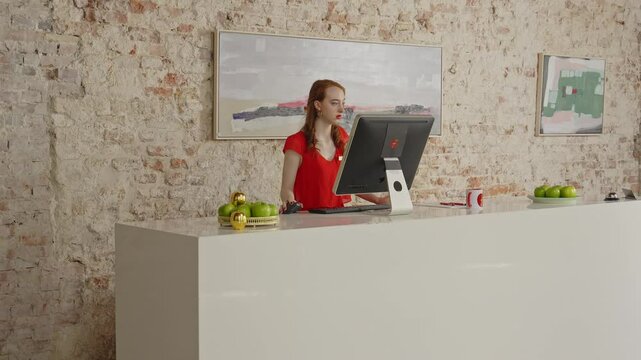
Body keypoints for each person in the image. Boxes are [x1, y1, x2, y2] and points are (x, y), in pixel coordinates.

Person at [280, 79, 389, 211]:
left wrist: (378, 200)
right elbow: (286, 190)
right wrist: (291, 205)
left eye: (343, 103)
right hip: (307, 223)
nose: (342, 109)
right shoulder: (296, 142)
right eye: (334, 103)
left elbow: (350, 182)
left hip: (339, 221)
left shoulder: (342, 137)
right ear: (318, 105)